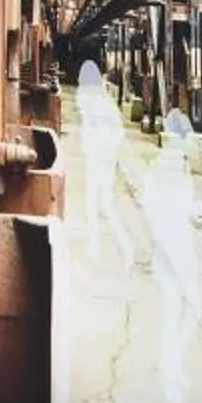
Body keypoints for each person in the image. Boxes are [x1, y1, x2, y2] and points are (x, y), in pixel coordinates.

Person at [144, 109, 202, 403]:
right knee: (186, 311)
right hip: (174, 250)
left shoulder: (168, 165)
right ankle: (171, 376)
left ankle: (174, 366)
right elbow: (159, 210)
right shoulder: (169, 169)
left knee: (182, 312)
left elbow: (155, 206)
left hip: (176, 248)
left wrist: (195, 209)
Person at [74, 59, 138, 267]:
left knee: (99, 201)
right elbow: (116, 129)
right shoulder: (103, 99)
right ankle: (103, 245)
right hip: (105, 155)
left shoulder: (89, 100)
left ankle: (122, 245)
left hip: (98, 155)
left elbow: (91, 129)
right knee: (99, 200)